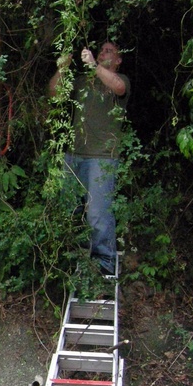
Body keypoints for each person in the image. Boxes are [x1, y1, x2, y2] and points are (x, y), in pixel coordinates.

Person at [48, 43, 130, 276]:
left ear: (118, 59)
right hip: (74, 156)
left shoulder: (120, 78)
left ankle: (104, 267)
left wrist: (94, 65)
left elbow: (119, 87)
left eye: (108, 51)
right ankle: (77, 261)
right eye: (101, 50)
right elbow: (54, 93)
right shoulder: (84, 81)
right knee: (70, 211)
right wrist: (62, 68)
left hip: (101, 158)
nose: (103, 53)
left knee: (97, 214)